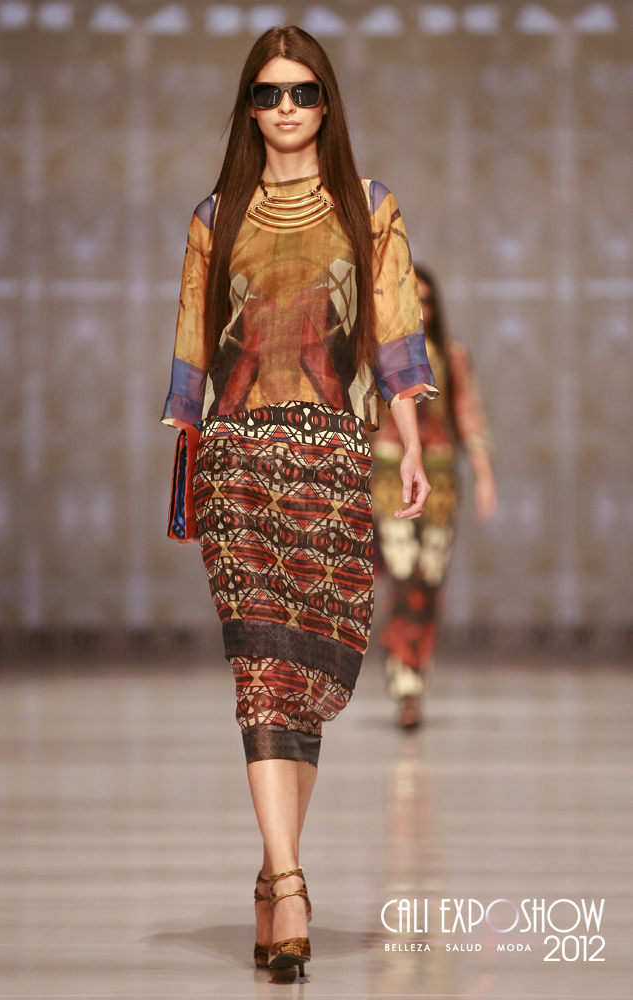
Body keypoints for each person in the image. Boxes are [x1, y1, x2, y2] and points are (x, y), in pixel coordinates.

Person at [161, 26, 436, 974]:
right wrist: (189, 460)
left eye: (303, 92)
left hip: (332, 457)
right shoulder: (216, 215)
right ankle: (286, 879)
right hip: (238, 459)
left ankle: (272, 876)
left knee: (307, 670)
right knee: (258, 667)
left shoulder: (367, 206)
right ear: (248, 107)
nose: (286, 108)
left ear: (326, 103)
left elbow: (394, 331)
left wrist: (409, 443)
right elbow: (194, 343)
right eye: (269, 93)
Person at [371, 264, 497, 729]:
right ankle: (405, 687)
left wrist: (484, 477)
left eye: (426, 301)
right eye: (413, 300)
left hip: (441, 481)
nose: (420, 310)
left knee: (429, 582)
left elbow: (467, 415)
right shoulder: (380, 353)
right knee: (404, 577)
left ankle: (415, 682)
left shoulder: (451, 354)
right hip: (390, 475)